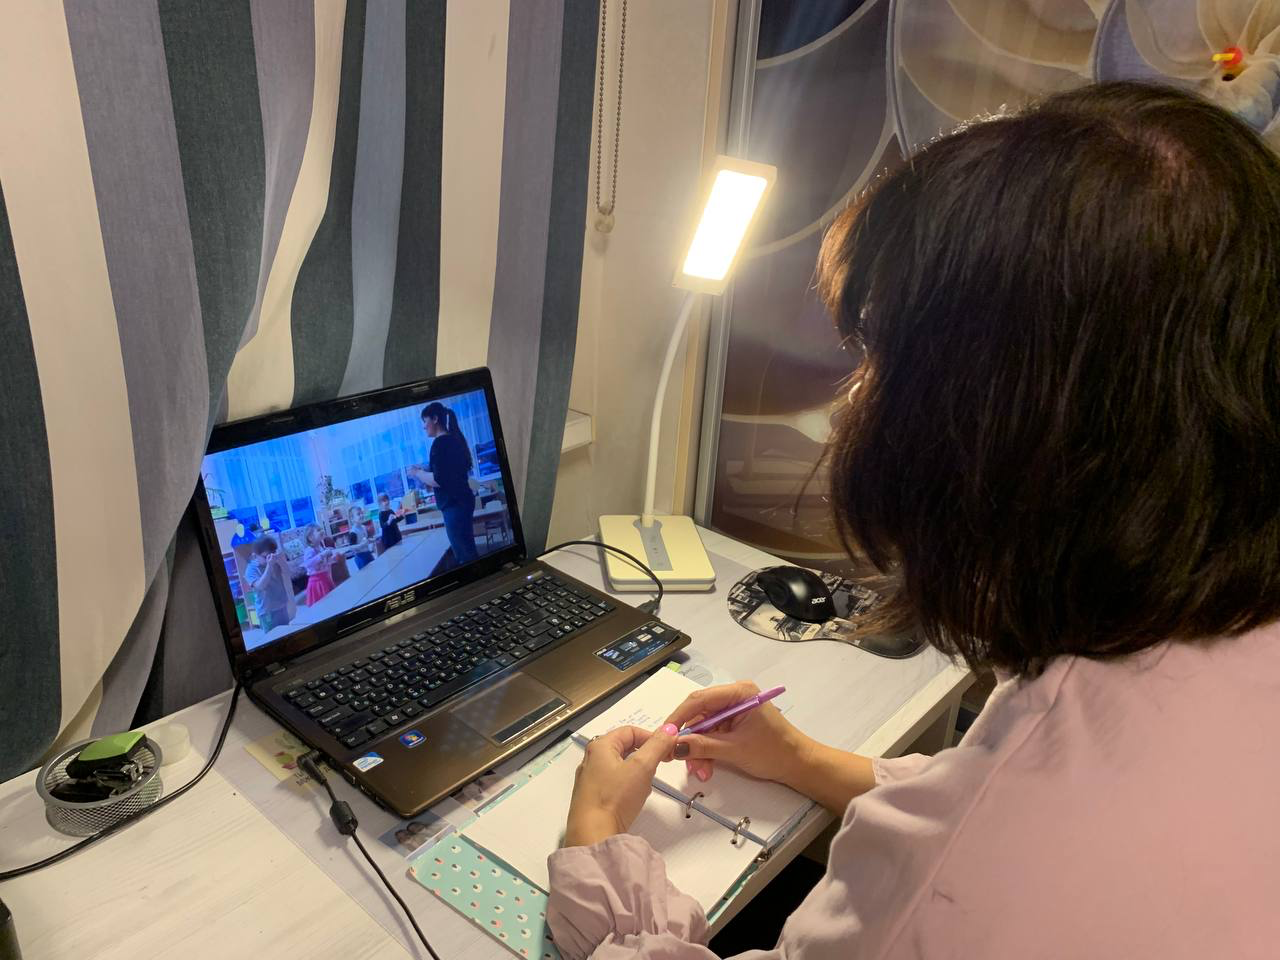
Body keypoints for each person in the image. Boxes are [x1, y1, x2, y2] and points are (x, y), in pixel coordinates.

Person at [547, 83, 1280, 959]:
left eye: (880, 360)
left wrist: (597, 840)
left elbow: (982, 831)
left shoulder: (969, 890)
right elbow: (1001, 773)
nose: (854, 402)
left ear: (1001, 435)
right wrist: (801, 759)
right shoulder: (1204, 633)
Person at [408, 401, 478, 565]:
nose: (424, 427)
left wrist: (417, 473)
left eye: (425, 421)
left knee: (464, 556)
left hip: (454, 506)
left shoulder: (439, 444)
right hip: (463, 501)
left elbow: (438, 480)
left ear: (435, 419)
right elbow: (448, 473)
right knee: (468, 549)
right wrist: (425, 471)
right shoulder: (453, 440)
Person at [243, 536, 292, 633]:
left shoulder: (274, 561)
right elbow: (260, 586)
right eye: (265, 557)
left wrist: (281, 560)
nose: (269, 558)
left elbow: (288, 573)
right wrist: (269, 566)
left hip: (281, 605)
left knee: (286, 633)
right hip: (267, 611)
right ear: (255, 556)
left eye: (272, 554)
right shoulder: (251, 569)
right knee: (274, 636)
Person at [300, 524, 338, 606]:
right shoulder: (309, 550)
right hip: (316, 581)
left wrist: (330, 558)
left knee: (331, 601)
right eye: (318, 530)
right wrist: (322, 555)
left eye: (321, 529)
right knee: (321, 604)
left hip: (325, 577)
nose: (321, 531)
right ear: (310, 537)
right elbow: (308, 563)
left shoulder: (321, 547)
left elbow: (324, 563)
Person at [346, 505, 375, 570]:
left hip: (368, 553)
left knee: (373, 569)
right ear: (352, 519)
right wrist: (362, 544)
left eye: (362, 513)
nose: (361, 515)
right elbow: (351, 547)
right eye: (358, 514)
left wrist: (371, 540)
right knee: (366, 573)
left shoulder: (363, 527)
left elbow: (365, 539)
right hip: (360, 557)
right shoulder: (353, 532)